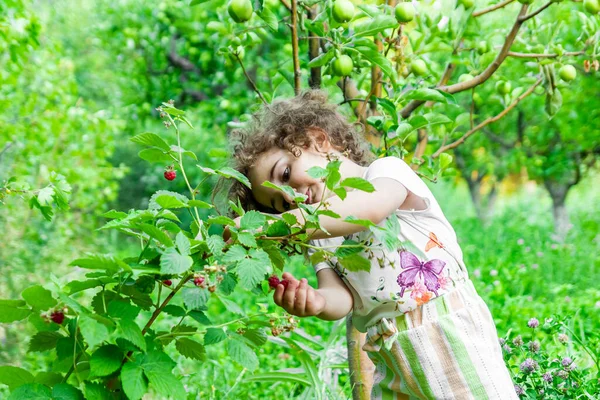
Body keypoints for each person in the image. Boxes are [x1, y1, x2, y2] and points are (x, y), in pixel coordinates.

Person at [219, 90, 518, 399]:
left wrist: (275, 225)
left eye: (284, 174)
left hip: (446, 335)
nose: (290, 198)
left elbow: (369, 210)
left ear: (318, 140)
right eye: (279, 205)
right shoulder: (324, 236)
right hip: (389, 356)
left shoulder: (386, 173)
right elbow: (343, 298)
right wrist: (318, 302)